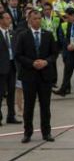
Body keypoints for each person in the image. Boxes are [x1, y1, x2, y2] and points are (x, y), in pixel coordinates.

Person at [15, 10, 58, 143]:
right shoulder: (23, 35)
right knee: (29, 106)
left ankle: (47, 132)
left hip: (45, 76)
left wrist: (46, 62)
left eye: (39, 18)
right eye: (35, 19)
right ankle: (27, 133)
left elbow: (54, 53)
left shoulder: (48, 35)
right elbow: (18, 55)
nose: (37, 21)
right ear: (29, 20)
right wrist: (32, 63)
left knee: (45, 106)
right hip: (29, 76)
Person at [0, 11, 21, 125]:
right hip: (1, 68)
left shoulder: (12, 33)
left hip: (12, 66)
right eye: (7, 18)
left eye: (10, 18)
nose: (9, 20)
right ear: (1, 20)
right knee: (0, 92)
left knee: (11, 92)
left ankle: (11, 116)